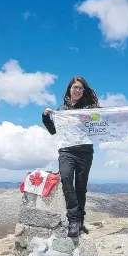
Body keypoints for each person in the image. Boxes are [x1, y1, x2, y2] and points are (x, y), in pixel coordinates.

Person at [42, 76, 100, 238]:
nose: (78, 90)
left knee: (81, 187)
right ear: (69, 89)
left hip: (85, 152)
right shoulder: (62, 109)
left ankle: (80, 221)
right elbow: (54, 131)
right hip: (66, 152)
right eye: (75, 87)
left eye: (81, 88)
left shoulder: (89, 108)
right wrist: (46, 117)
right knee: (67, 180)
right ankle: (73, 220)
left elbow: (103, 119)